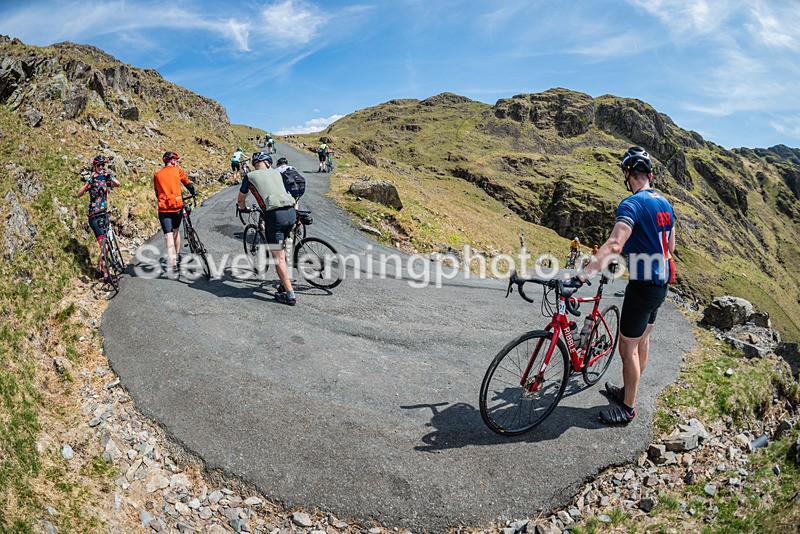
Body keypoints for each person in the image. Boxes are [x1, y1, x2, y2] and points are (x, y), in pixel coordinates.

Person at [578, 146, 675, 425]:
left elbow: (614, 244)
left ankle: (628, 409)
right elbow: (669, 247)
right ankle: (628, 391)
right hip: (661, 285)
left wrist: (584, 274)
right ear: (650, 175)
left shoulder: (632, 204)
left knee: (627, 347)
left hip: (642, 285)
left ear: (627, 174)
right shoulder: (665, 204)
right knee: (642, 340)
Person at [237, 152, 298, 305]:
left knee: (278, 257)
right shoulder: (276, 173)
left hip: (275, 216)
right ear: (268, 163)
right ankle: (284, 283)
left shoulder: (250, 176)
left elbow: (241, 198)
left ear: (255, 164)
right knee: (282, 250)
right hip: (291, 212)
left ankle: (290, 295)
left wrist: (243, 208)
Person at [76, 155, 120, 281]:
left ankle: (99, 271)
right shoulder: (92, 180)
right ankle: (106, 276)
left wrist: (109, 177)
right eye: (98, 165)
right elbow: (79, 194)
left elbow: (117, 184)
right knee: (104, 246)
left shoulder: (104, 179)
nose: (101, 167)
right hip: (94, 216)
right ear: (94, 167)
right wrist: (88, 182)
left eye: (102, 165)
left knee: (106, 244)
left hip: (104, 214)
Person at [154, 151, 195, 277]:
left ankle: (173, 266)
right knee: (176, 231)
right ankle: (176, 256)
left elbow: (157, 193)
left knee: (168, 236)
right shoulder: (177, 171)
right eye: (175, 160)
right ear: (172, 161)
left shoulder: (157, 175)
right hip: (177, 208)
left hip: (164, 209)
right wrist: (193, 192)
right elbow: (188, 185)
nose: (176, 162)